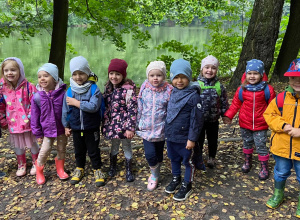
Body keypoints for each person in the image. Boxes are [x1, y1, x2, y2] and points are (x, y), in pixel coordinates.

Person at [223, 59, 276, 180]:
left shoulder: (268, 89)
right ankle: (248, 161)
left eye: (255, 73)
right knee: (247, 142)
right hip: (244, 123)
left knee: (261, 144)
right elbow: (235, 104)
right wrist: (228, 116)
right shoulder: (242, 89)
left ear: (261, 75)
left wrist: (275, 121)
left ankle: (264, 166)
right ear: (245, 74)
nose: (252, 76)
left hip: (261, 124)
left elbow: (273, 107)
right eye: (250, 73)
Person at [263, 58, 300, 217]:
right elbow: (269, 115)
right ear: (288, 78)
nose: (296, 81)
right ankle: (278, 194)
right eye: (293, 78)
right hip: (281, 146)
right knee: (280, 171)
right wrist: (284, 126)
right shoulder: (281, 98)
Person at [62, 56, 105, 187]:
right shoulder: (70, 90)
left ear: (87, 73)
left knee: (93, 150)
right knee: (78, 150)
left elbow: (93, 107)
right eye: (75, 74)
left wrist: (77, 103)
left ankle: (97, 169)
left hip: (91, 127)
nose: (78, 77)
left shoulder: (93, 89)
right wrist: (66, 125)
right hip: (76, 127)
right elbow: (65, 110)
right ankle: (79, 168)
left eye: (81, 73)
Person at [164, 59, 204, 201]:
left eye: (183, 77)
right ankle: (176, 178)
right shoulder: (172, 93)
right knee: (173, 159)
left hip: (185, 138)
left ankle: (187, 184)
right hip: (172, 136)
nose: (179, 81)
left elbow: (197, 121)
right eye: (176, 77)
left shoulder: (194, 97)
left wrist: (192, 139)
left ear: (189, 77)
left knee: (187, 162)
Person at [136, 61, 173, 191]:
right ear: (148, 76)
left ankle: (157, 170)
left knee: (158, 154)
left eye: (159, 75)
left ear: (164, 76)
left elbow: (171, 109)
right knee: (150, 154)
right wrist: (137, 122)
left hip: (161, 128)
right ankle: (154, 175)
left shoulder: (169, 89)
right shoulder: (144, 87)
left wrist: (170, 126)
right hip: (146, 128)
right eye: (152, 75)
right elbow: (140, 105)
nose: (155, 78)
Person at [0, 57, 39, 177]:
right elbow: (1, 105)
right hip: (13, 123)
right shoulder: (2, 88)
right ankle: (21, 164)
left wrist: (32, 118)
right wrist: (2, 120)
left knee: (32, 143)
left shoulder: (29, 86)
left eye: (13, 70)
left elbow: (36, 103)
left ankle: (36, 163)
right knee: (18, 145)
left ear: (20, 70)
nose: (9, 73)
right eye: (6, 70)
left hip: (28, 122)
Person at [31, 63, 68, 185]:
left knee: (62, 148)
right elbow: (35, 116)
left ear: (54, 77)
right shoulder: (37, 97)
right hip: (47, 129)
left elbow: (68, 111)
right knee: (45, 150)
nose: (42, 79)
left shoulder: (63, 94)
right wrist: (37, 133)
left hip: (61, 128)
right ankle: (39, 169)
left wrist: (68, 125)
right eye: (39, 76)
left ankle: (60, 168)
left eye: (46, 76)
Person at [102, 58, 137, 182]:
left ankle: (129, 168)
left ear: (123, 75)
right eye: (112, 73)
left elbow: (132, 109)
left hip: (124, 124)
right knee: (114, 145)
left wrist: (130, 128)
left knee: (126, 145)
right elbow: (105, 106)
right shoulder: (108, 88)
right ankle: (113, 166)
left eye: (118, 74)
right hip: (112, 124)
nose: (114, 77)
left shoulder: (128, 90)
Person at [195, 55, 229, 168]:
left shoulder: (219, 86)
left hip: (213, 119)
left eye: (213, 68)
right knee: (198, 139)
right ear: (202, 69)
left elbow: (224, 101)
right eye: (207, 67)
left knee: (212, 140)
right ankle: (198, 157)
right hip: (198, 120)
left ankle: (211, 157)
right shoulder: (196, 85)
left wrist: (225, 115)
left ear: (216, 70)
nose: (210, 70)